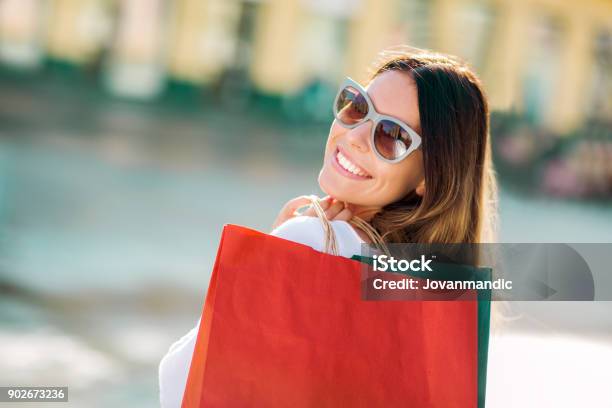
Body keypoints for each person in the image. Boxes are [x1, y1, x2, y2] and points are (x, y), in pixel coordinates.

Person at [158, 46, 498, 407]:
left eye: (392, 136)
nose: (353, 136)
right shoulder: (440, 292)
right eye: (358, 107)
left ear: (430, 177)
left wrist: (267, 256)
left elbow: (181, 383)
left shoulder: (310, 238)